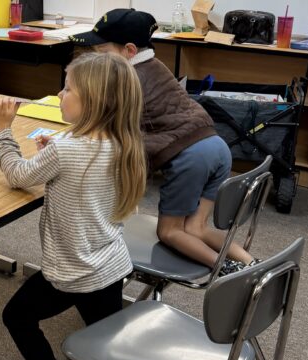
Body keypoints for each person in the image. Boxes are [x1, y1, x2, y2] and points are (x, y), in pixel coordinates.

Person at [0, 52, 147, 360]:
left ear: (92, 102)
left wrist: (3, 132)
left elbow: (19, 175)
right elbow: (77, 170)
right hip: (110, 264)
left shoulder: (67, 148)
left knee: (17, 318)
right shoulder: (122, 141)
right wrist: (52, 149)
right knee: (107, 354)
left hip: (72, 270)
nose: (60, 94)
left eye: (67, 88)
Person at [71, 9, 256, 275]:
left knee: (169, 231)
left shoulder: (128, 81)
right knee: (195, 228)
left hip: (190, 157)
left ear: (129, 50)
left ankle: (226, 269)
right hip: (216, 146)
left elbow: (110, 129)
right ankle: (250, 262)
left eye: (101, 52)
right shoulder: (155, 65)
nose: (95, 59)